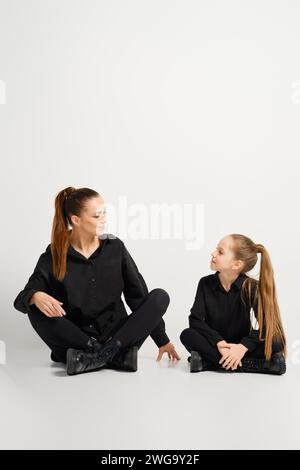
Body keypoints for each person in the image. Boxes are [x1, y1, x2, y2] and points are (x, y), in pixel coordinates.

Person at [14, 186, 180, 375]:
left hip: (118, 336)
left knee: (160, 297)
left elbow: (138, 296)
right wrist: (36, 296)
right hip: (76, 340)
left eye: (104, 213)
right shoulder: (54, 254)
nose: (104, 219)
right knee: (34, 307)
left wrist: (162, 340)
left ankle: (98, 356)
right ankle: (113, 357)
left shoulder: (115, 247)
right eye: (96, 216)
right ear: (76, 220)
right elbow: (21, 298)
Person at [180, 234, 286, 375]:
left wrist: (242, 347)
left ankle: (207, 362)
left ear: (236, 264)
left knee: (277, 340)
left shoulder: (250, 287)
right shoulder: (205, 283)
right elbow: (195, 320)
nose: (213, 253)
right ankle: (257, 365)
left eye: (220, 251)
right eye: (216, 249)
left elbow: (267, 326)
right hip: (215, 345)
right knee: (187, 335)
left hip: (242, 346)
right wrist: (219, 342)